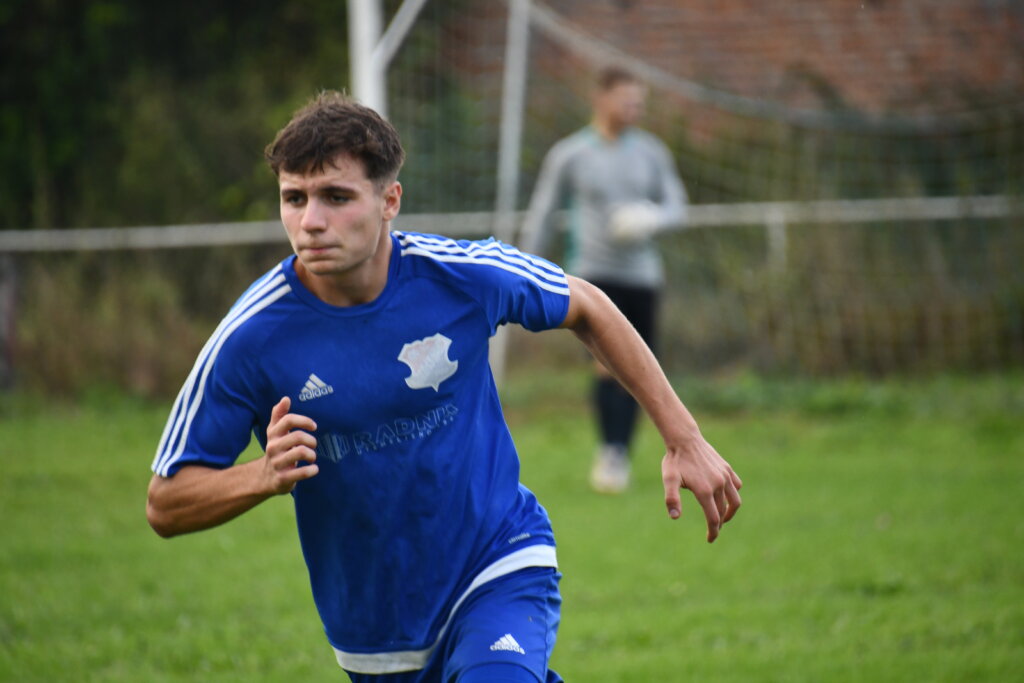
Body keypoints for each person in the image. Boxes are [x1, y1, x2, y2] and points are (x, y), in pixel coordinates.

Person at [147, 91, 740, 683]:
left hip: (499, 560)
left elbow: (585, 304)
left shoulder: (458, 275)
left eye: (336, 196)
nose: (311, 221)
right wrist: (262, 475)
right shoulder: (252, 337)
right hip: (376, 632)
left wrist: (683, 438)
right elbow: (165, 502)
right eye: (294, 198)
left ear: (390, 201)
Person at [520, 66, 689, 494]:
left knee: (640, 367)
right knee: (605, 364)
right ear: (602, 99)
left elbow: (677, 205)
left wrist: (651, 217)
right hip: (593, 276)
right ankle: (610, 452)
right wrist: (521, 267)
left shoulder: (652, 152)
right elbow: (543, 211)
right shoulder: (571, 154)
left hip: (641, 276)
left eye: (640, 102)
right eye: (627, 100)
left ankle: (621, 452)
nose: (635, 109)